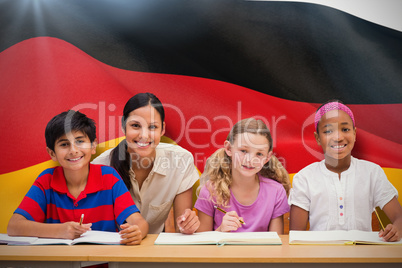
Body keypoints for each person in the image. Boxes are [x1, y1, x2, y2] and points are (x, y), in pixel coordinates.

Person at [7, 110, 148, 245]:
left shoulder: (109, 177)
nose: (73, 150)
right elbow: (14, 226)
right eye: (64, 144)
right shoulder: (46, 181)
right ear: (52, 153)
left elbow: (139, 222)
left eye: (80, 141)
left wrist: (137, 232)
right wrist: (60, 231)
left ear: (93, 146)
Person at [289, 100, 402, 242]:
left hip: (363, 258)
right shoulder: (304, 178)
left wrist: (397, 228)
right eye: (328, 131)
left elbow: (399, 218)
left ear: (354, 134)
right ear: (318, 138)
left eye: (345, 129)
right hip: (319, 258)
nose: (338, 137)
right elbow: (295, 236)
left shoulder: (372, 173)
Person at [92, 93, 200, 234]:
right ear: (124, 126)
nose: (144, 135)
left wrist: (187, 224)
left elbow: (181, 228)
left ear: (162, 129)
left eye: (152, 127)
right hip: (111, 251)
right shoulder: (101, 167)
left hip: (153, 252)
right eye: (136, 125)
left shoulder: (181, 161)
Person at [195, 118, 290, 233]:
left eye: (259, 154)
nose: (250, 160)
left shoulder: (276, 192)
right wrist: (220, 231)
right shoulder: (210, 191)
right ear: (229, 149)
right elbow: (202, 246)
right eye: (244, 151)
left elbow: (276, 243)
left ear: (267, 157)